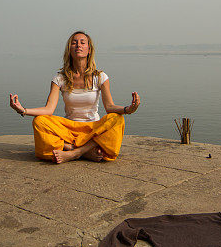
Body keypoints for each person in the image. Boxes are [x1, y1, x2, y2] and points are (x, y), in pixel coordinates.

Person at [9, 30, 140, 164]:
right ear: (69, 49)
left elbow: (110, 107)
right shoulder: (60, 78)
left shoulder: (100, 77)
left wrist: (127, 109)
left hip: (92, 129)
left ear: (89, 49)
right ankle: (82, 150)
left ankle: (75, 152)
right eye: (74, 43)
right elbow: (48, 109)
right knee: (40, 122)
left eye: (83, 42)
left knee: (117, 119)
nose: (78, 45)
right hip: (69, 129)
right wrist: (23, 110)